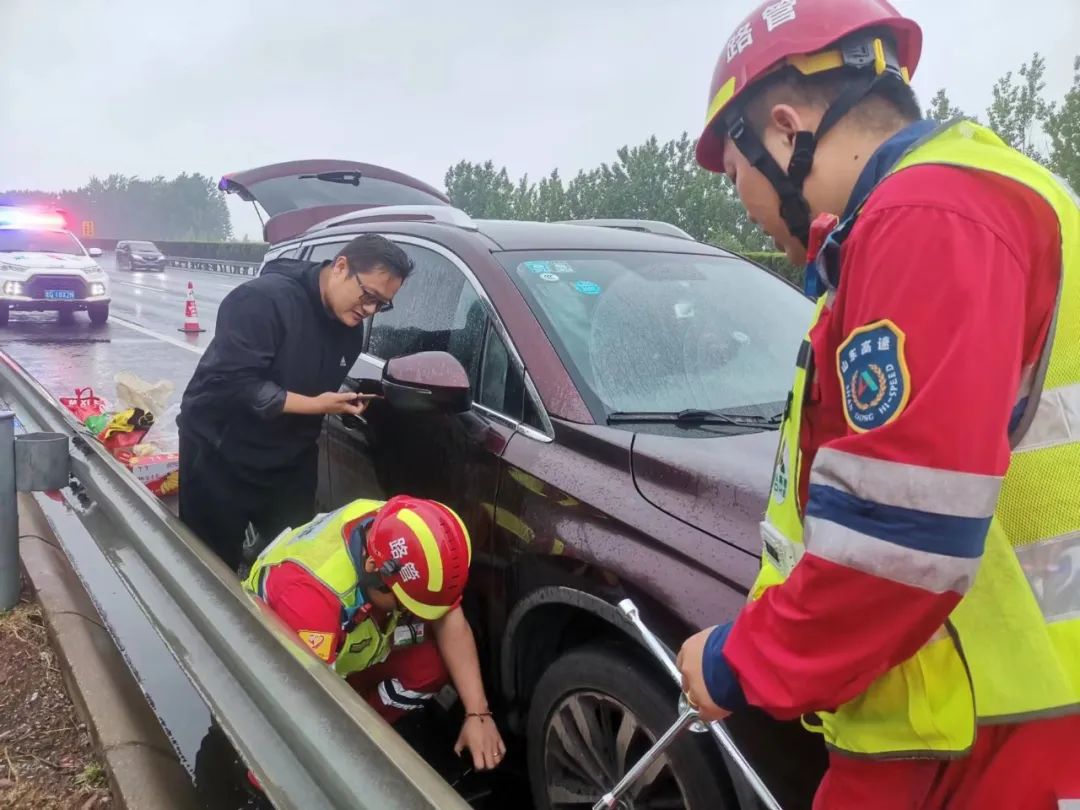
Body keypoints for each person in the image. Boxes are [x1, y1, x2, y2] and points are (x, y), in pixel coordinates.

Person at [674, 1, 1080, 807]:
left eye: (736, 177)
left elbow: (905, 530)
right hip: (977, 711)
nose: (743, 206)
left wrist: (739, 659)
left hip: (979, 737)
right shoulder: (969, 203)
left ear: (785, 130)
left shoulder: (928, 216)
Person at [177, 235, 413, 570]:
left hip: (289, 459)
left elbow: (317, 387)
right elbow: (236, 385)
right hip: (220, 453)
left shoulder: (349, 327)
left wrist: (341, 402)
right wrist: (319, 405)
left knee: (293, 563)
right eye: (368, 295)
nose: (370, 310)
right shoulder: (261, 301)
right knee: (211, 571)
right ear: (341, 267)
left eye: (381, 304)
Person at [243, 495, 507, 771]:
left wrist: (479, 713)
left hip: (343, 641)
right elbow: (301, 705)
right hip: (281, 661)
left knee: (430, 665)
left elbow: (450, 618)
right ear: (373, 570)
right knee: (281, 758)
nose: (412, 613)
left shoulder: (393, 530)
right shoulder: (312, 601)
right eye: (406, 603)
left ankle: (357, 734)